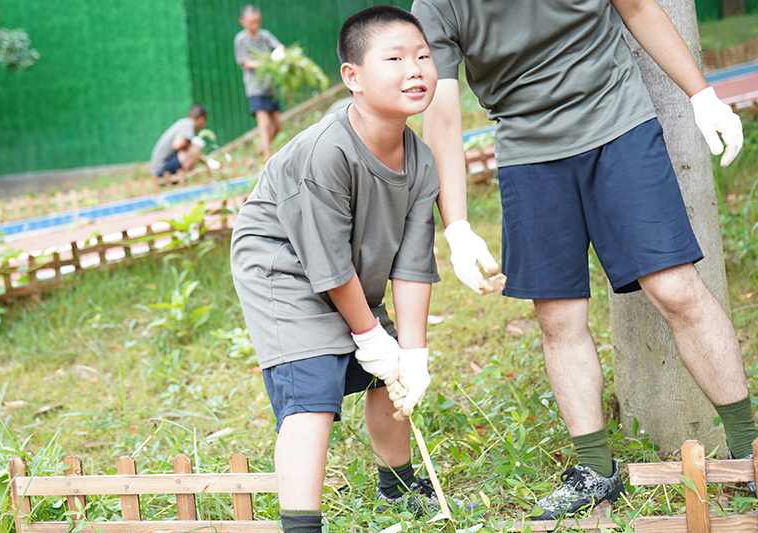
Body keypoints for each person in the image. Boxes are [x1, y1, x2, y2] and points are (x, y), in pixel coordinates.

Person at [411, 0, 755, 521]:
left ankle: (748, 446)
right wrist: (456, 224)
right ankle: (595, 470)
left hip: (618, 125)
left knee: (677, 290)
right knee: (558, 315)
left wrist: (702, 94)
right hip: (528, 151)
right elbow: (439, 107)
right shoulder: (437, 4)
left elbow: (638, 7)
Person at [231, 6, 446, 532]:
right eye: (394, 58)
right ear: (352, 77)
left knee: (387, 374)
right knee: (312, 394)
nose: (415, 69)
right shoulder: (326, 152)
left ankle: (398, 489)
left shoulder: (420, 160)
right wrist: (368, 331)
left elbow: (414, 265)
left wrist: (411, 353)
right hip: (284, 271)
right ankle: (301, 525)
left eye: (423, 56)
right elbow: (324, 265)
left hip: (343, 274)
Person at [234, 4, 285, 162]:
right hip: (255, 88)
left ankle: (258, 152)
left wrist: (279, 52)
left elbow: (279, 45)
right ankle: (268, 159)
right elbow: (246, 63)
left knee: (276, 126)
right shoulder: (241, 39)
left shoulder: (265, 35)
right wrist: (267, 62)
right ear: (242, 21)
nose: (254, 25)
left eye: (257, 21)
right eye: (251, 22)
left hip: (270, 87)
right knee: (263, 123)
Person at [149, 103, 221, 182]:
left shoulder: (183, 123)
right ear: (201, 119)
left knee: (193, 148)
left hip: (158, 169)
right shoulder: (189, 124)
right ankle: (184, 177)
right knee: (195, 149)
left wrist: (207, 161)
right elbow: (177, 144)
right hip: (162, 170)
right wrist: (191, 143)